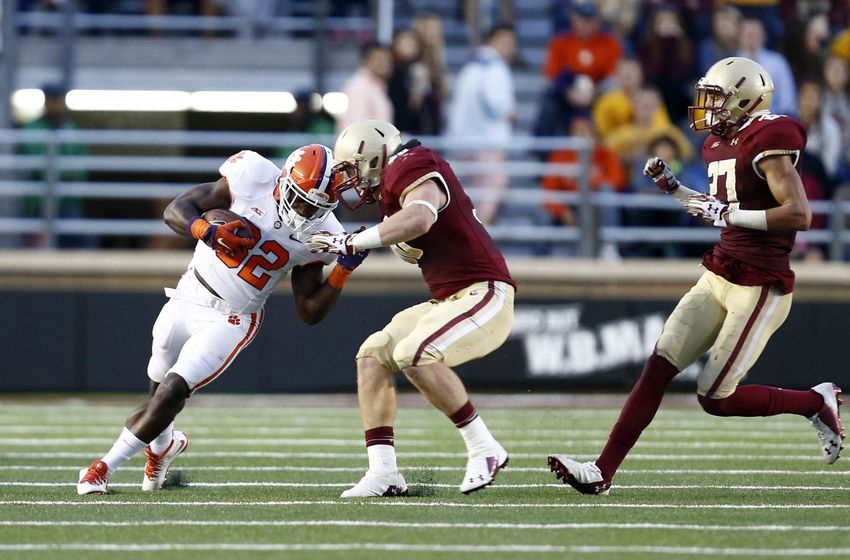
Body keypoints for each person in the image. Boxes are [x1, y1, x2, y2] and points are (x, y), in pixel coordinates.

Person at [548, 57, 844, 495]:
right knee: (658, 365)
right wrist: (676, 190)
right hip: (720, 269)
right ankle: (601, 471)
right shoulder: (717, 144)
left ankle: (814, 401)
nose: (708, 106)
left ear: (745, 99)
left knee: (715, 397)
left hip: (759, 283)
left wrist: (727, 212)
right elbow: (718, 207)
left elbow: (799, 214)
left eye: (718, 98)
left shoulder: (770, 135)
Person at [76, 144, 368, 495]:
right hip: (187, 293)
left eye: (317, 207)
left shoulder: (320, 232)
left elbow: (308, 311)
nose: (306, 212)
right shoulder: (252, 176)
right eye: (302, 200)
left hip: (232, 318)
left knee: (172, 389)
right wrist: (207, 231)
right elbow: (177, 209)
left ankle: (103, 467)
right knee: (157, 389)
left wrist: (343, 270)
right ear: (284, 180)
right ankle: (162, 448)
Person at [305, 119, 517, 497]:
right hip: (450, 299)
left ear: (373, 156)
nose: (351, 180)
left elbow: (420, 217)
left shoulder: (410, 163)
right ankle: (383, 473)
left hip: (484, 292)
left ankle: (484, 448)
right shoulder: (393, 185)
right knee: (372, 354)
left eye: (353, 169)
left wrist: (350, 242)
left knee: (414, 354)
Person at [446, 24, 517, 225]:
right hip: (487, 144)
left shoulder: (470, 66)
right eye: (506, 42)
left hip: (461, 142)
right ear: (492, 41)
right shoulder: (496, 67)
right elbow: (499, 104)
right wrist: (512, 114)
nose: (510, 48)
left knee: (465, 197)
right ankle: (478, 238)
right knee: (492, 192)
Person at [336, 42, 394, 134]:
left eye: (387, 59)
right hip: (364, 146)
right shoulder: (358, 86)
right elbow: (359, 128)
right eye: (379, 59)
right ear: (365, 60)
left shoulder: (378, 86)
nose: (385, 64)